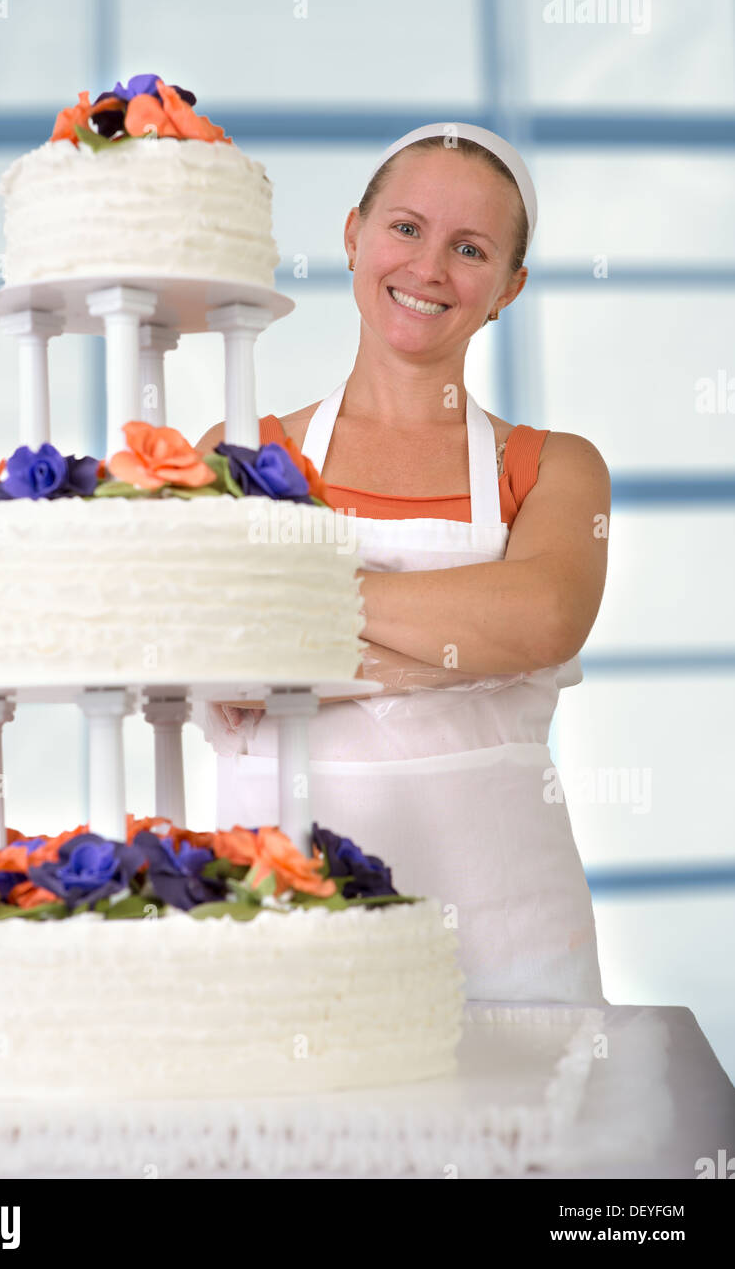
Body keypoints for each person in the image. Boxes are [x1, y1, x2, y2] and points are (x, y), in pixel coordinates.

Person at [194, 123, 609, 1005]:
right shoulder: (234, 454)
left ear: (509, 287)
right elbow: (205, 656)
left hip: (512, 936)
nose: (428, 269)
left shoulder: (554, 465)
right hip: (286, 932)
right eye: (406, 228)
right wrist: (468, 656)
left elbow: (543, 617)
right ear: (352, 235)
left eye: (470, 248)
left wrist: (295, 617)